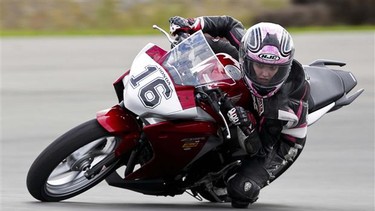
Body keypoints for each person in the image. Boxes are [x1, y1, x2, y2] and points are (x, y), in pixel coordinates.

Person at [169, 16, 310, 208]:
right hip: (256, 105)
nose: (265, 74)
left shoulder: (277, 108)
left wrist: (246, 121)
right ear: (247, 55)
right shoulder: (250, 48)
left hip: (280, 141)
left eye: (273, 69)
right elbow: (229, 24)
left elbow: (260, 149)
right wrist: (194, 24)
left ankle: (221, 178)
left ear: (284, 68)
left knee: (242, 192)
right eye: (260, 65)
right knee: (210, 46)